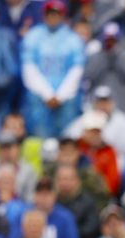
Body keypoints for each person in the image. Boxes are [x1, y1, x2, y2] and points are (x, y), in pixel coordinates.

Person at [21, 0, 84, 139]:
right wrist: (47, 94)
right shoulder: (33, 36)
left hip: (66, 98)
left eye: (56, 14)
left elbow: (77, 69)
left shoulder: (73, 39)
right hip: (39, 98)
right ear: (44, 15)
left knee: (67, 137)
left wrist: (60, 96)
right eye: (50, 14)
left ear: (62, 16)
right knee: (39, 136)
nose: (53, 17)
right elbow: (28, 67)